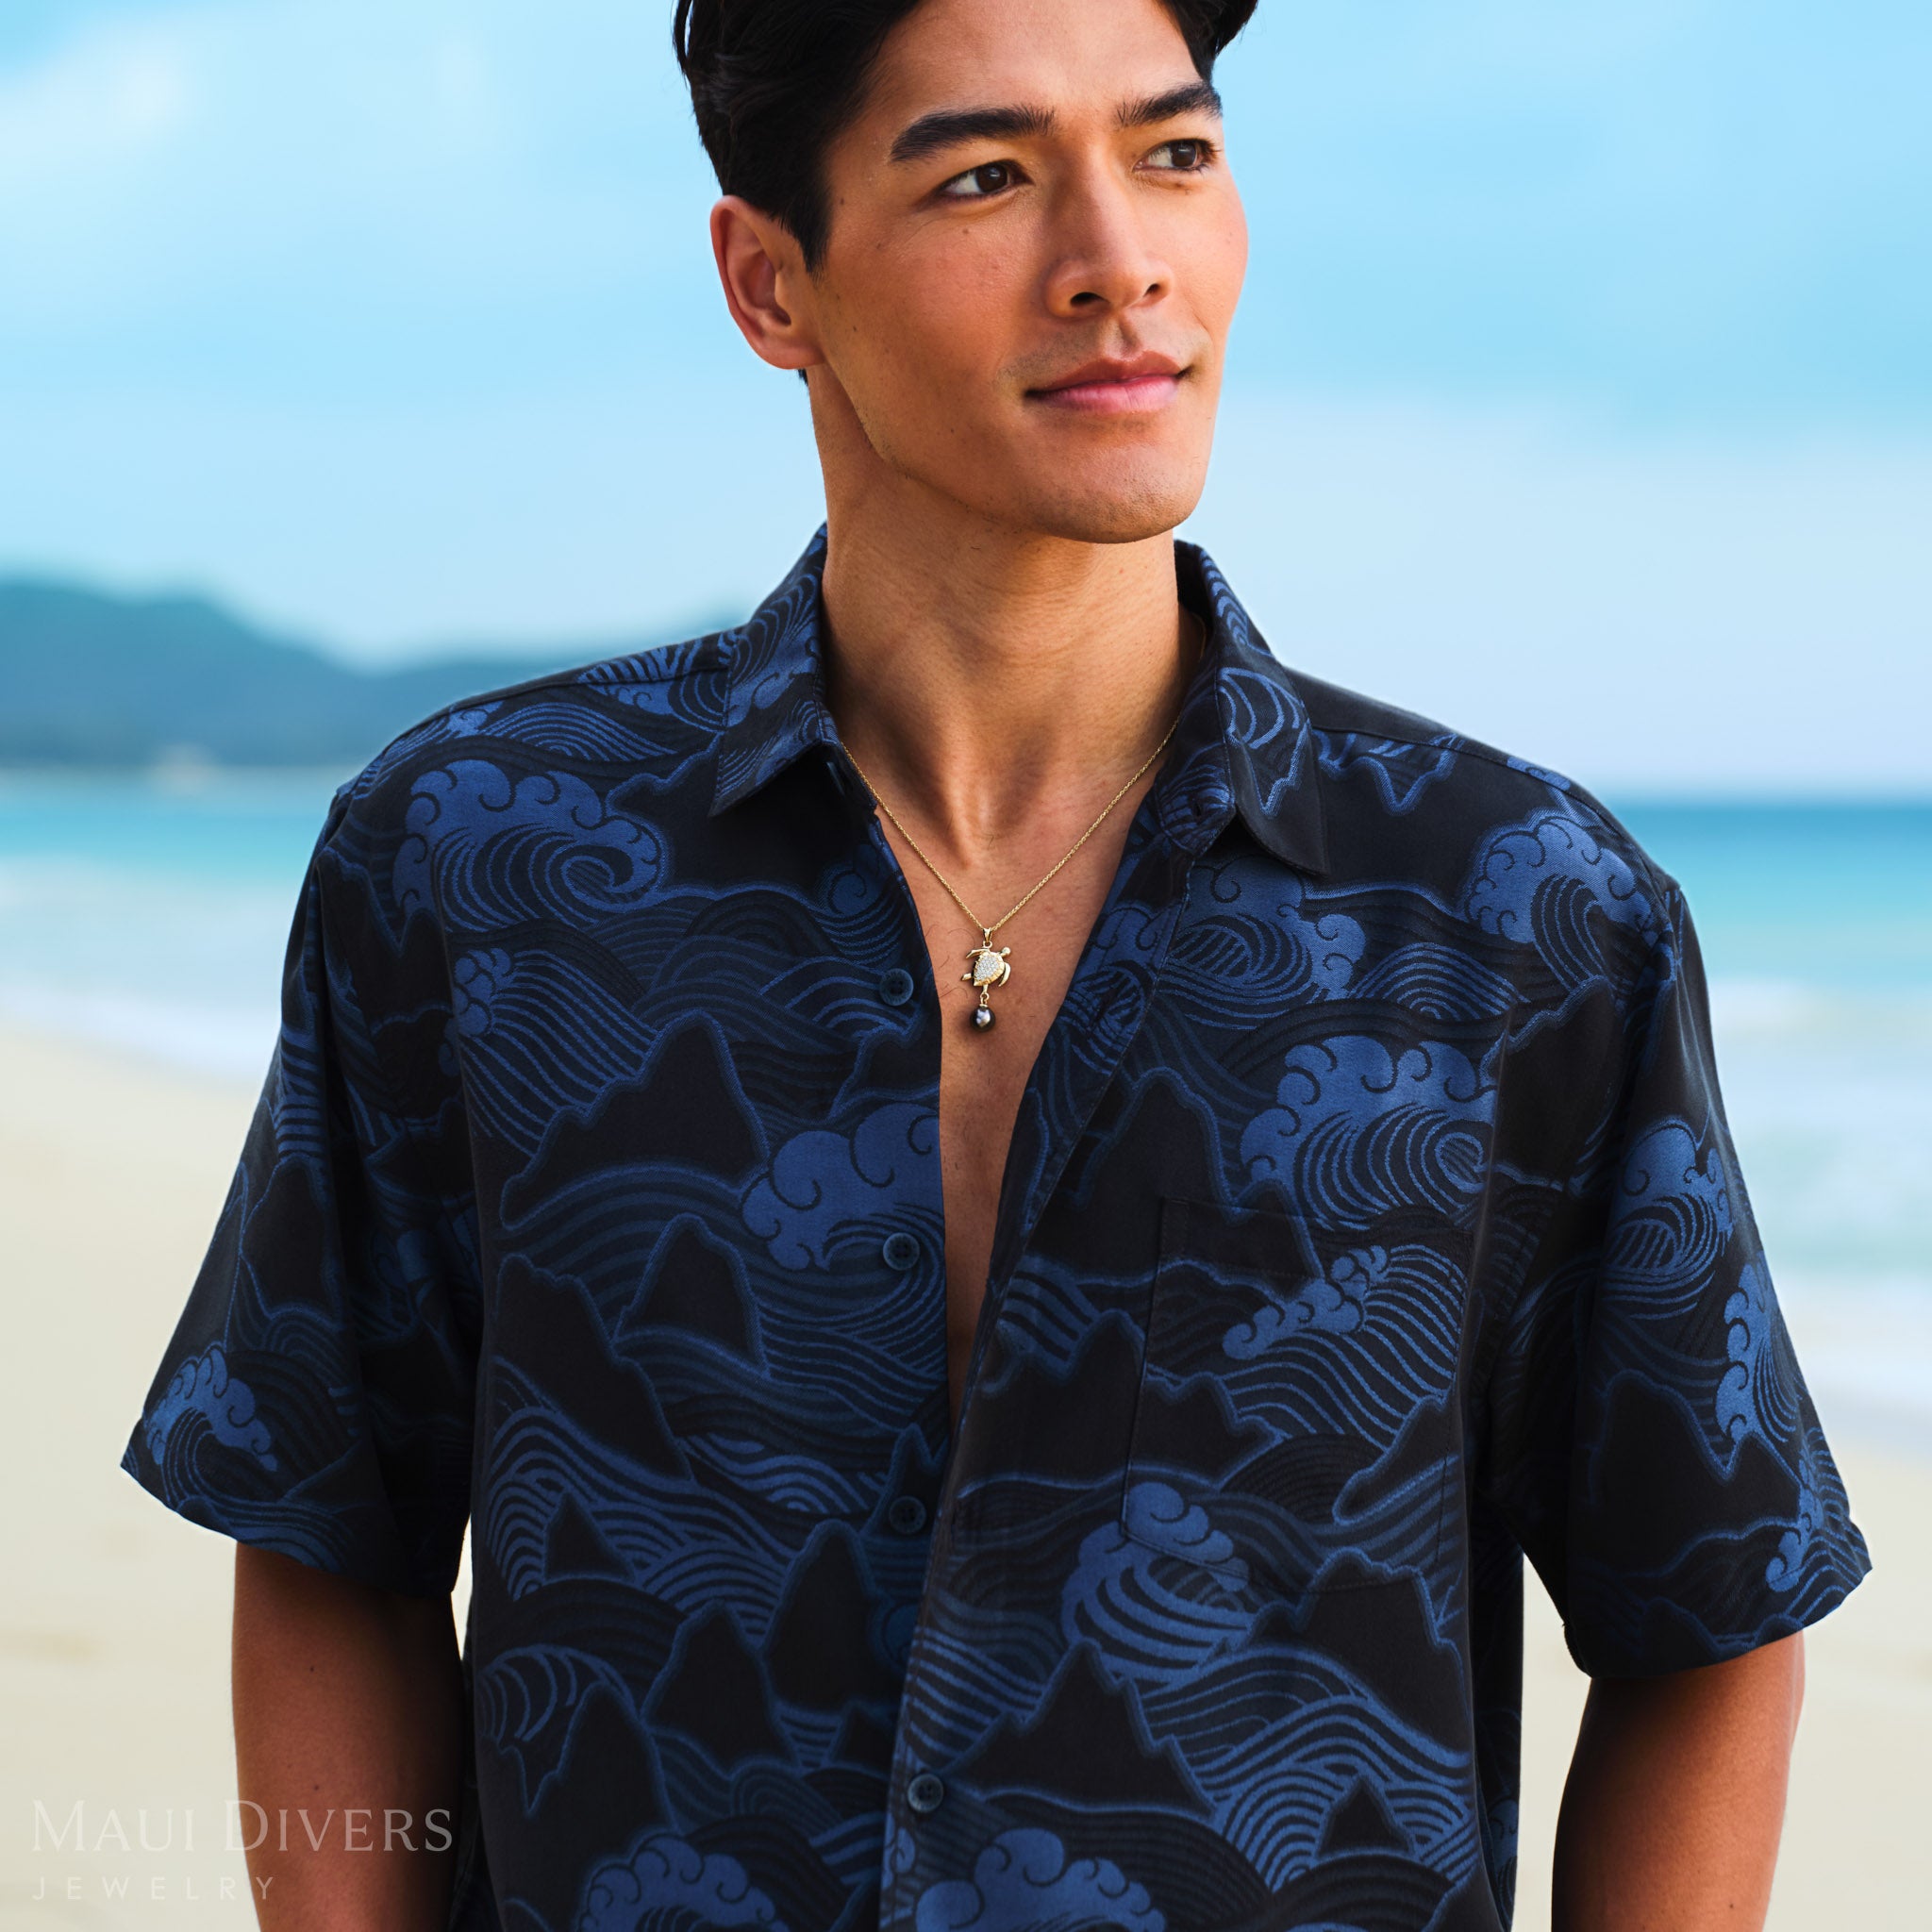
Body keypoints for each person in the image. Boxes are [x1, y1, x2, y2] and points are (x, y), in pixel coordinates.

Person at [121, 0, 1871, 1926]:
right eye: (985, 176)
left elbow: (1703, 1604)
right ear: (770, 284)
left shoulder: (1514, 914)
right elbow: (328, 1532)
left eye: (1175, 153)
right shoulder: (477, 861)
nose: (1117, 259)